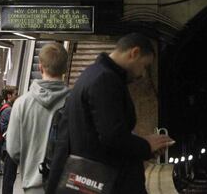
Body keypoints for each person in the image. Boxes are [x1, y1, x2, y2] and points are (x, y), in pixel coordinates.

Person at [53, 33, 173, 193]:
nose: (142, 74)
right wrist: (146, 145)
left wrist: (142, 144)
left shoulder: (92, 74)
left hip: (95, 179)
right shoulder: (105, 80)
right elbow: (112, 136)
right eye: (144, 66)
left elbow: (99, 132)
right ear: (134, 53)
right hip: (107, 182)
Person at [7, 43, 70, 194]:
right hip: (65, 186)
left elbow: (13, 149)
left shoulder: (21, 103)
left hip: (33, 186)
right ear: (65, 69)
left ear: (40, 67)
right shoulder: (75, 103)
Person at [0, 86, 19, 194]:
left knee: (9, 177)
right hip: (9, 148)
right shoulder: (8, 110)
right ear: (9, 96)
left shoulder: (5, 108)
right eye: (16, 94)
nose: (17, 96)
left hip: (7, 148)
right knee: (9, 178)